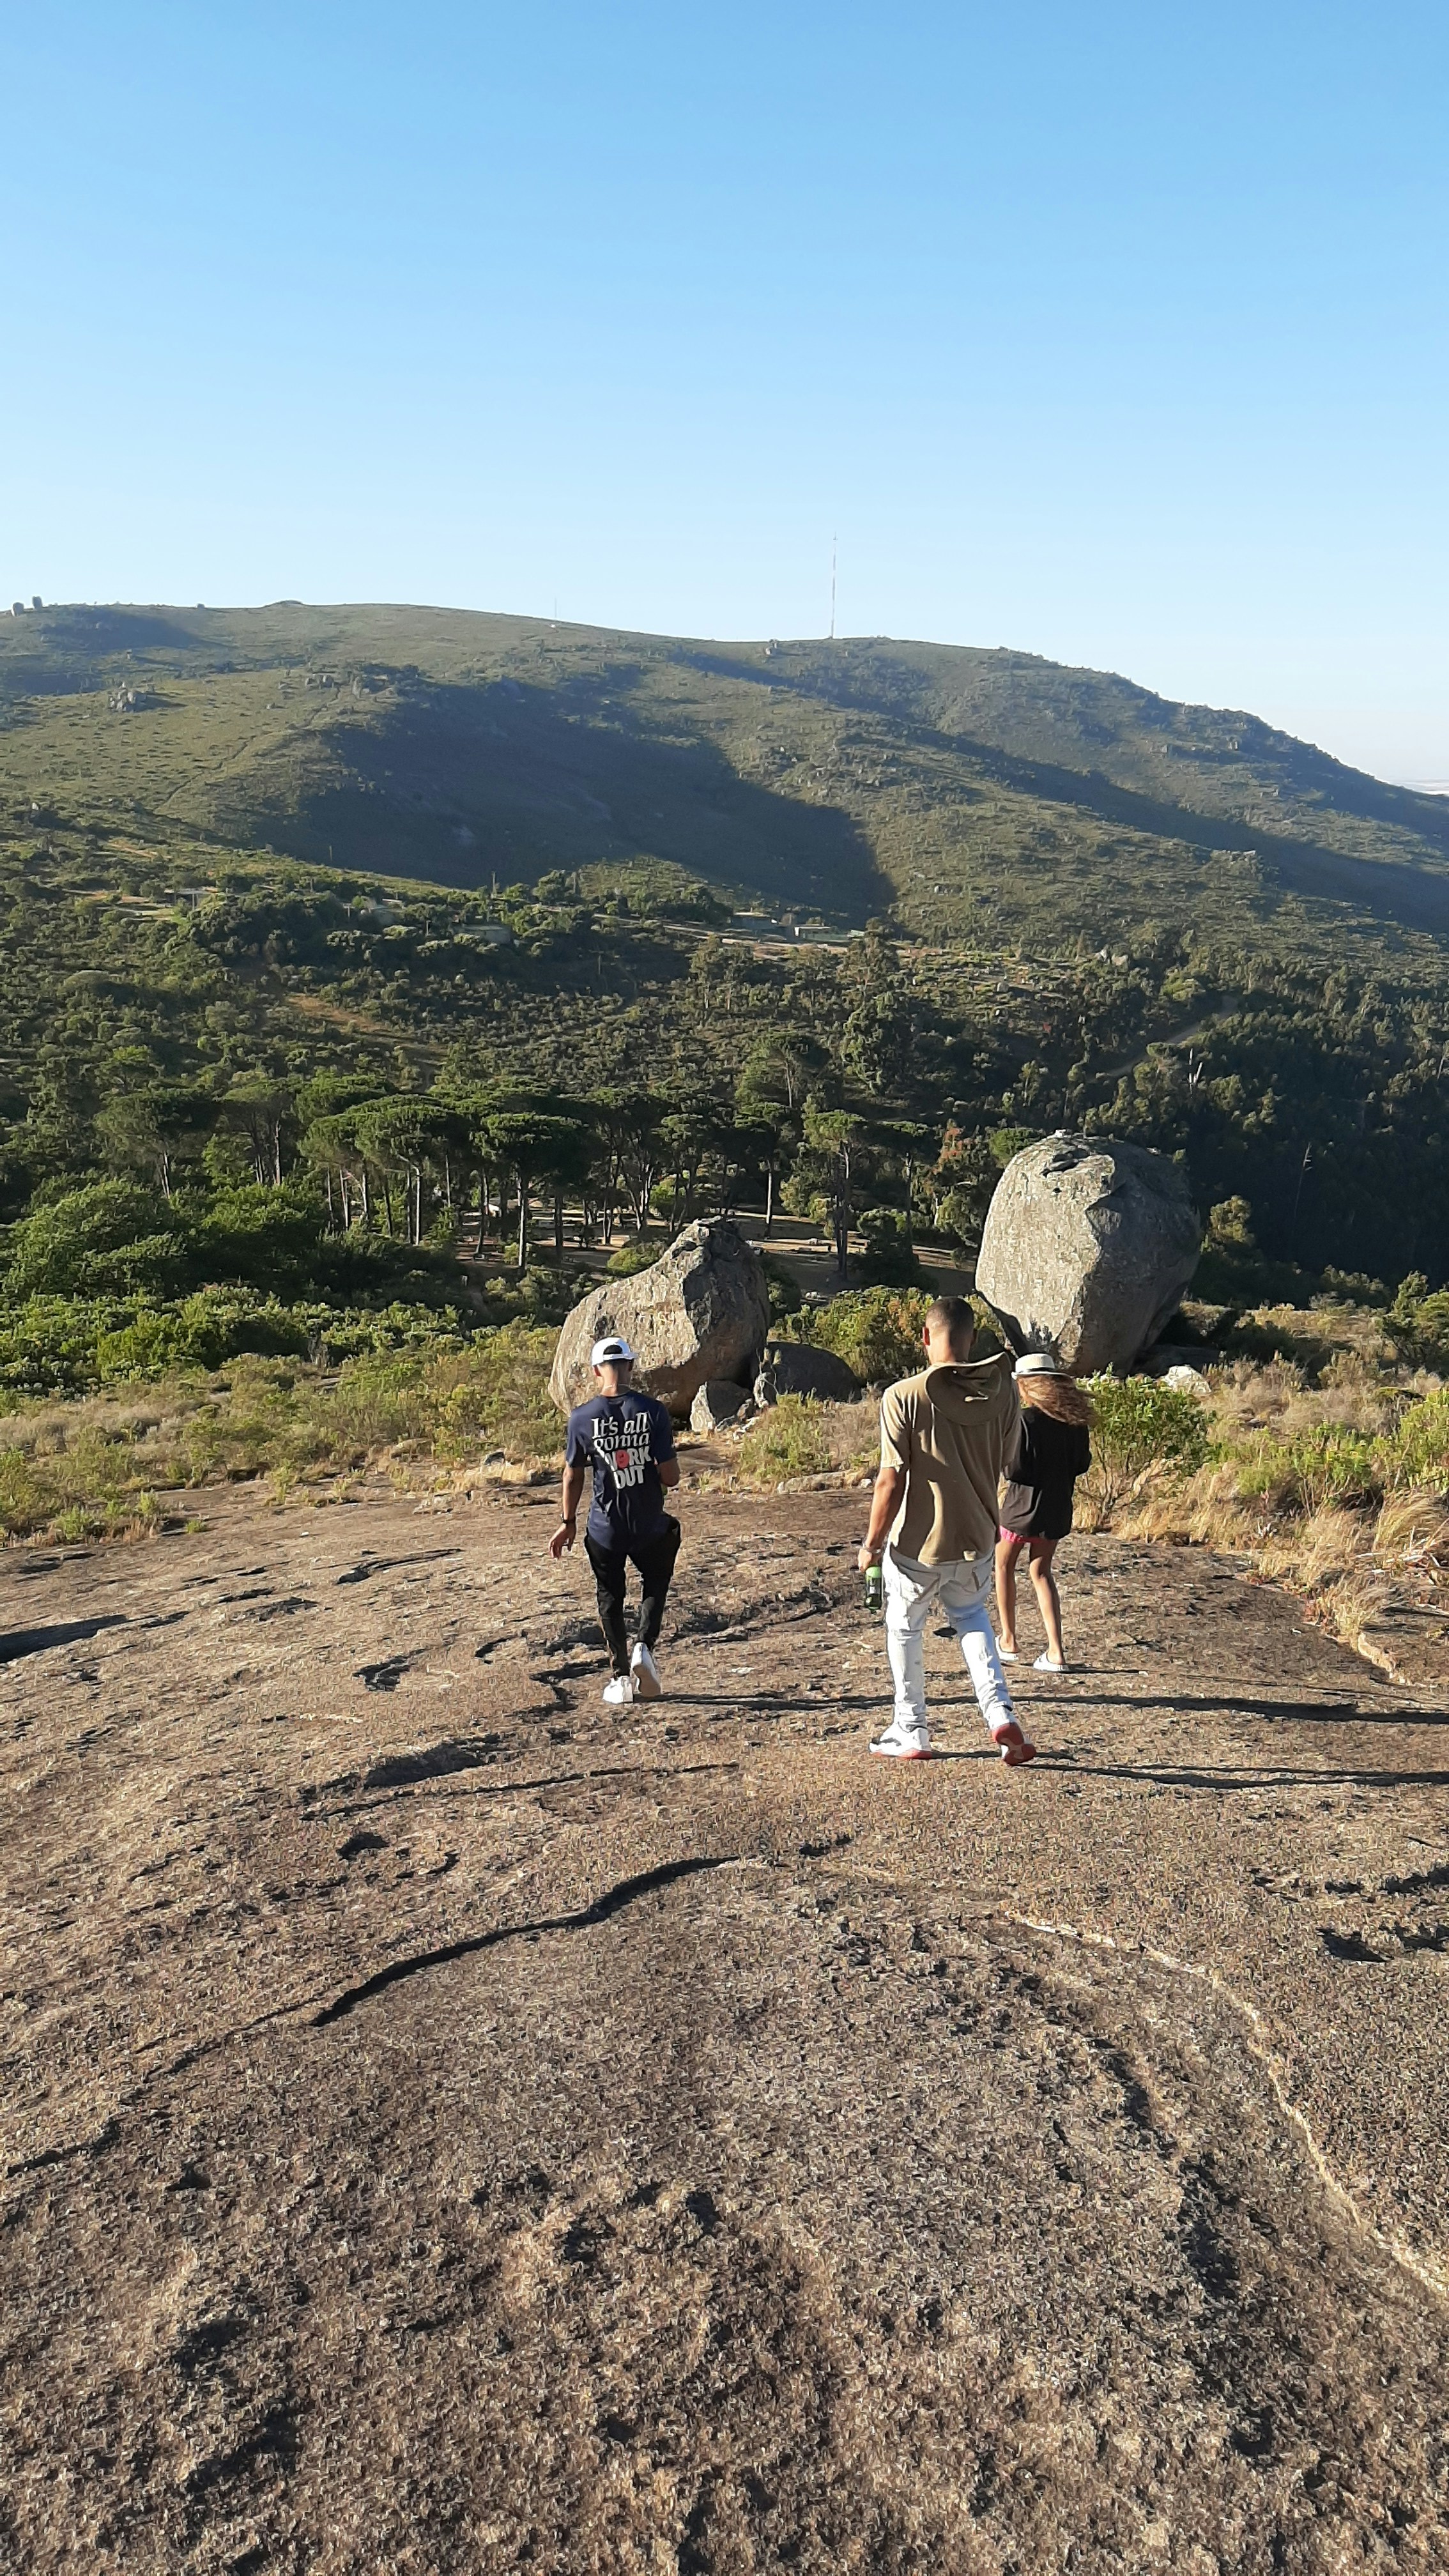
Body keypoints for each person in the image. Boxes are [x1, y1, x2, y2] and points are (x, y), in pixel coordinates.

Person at [858, 1296, 1035, 1765]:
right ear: (972, 1339)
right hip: (978, 1536)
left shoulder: (903, 1396)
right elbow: (1008, 1459)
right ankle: (1000, 1714)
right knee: (973, 1618)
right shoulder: (1004, 1393)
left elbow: (890, 1481)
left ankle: (911, 1728)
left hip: (919, 1544)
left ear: (925, 1337)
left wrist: (872, 1545)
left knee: (903, 1626)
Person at [549, 1335, 681, 1706]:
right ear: (631, 1367)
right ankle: (644, 1646)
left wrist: (567, 1521)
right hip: (648, 1524)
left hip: (604, 1526)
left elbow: (572, 1475)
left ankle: (620, 1677)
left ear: (596, 1372)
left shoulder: (581, 1418)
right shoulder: (653, 1412)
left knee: (610, 1596)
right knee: (656, 1580)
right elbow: (670, 1477)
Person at [995, 1353, 1092, 1674]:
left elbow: (1014, 1469)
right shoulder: (1074, 1422)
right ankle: (1056, 1652)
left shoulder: (1024, 1421)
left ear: (1025, 1385)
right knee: (1041, 1572)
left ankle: (1008, 1640)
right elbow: (1082, 1464)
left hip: (1021, 1509)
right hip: (1057, 1507)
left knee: (1004, 1565)